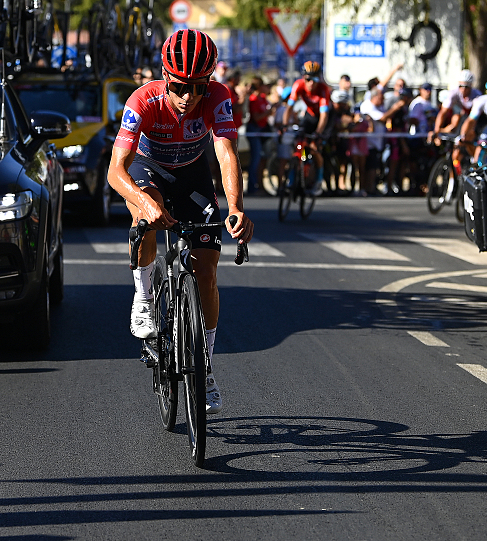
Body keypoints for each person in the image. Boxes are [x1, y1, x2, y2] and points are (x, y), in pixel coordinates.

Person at [107, 29, 254, 415]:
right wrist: (140, 200)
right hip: (147, 169)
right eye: (179, 86)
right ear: (165, 77)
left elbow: (225, 154)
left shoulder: (218, 98)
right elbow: (114, 171)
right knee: (148, 214)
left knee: (207, 268)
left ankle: (204, 367)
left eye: (199, 87)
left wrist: (235, 207)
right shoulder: (143, 100)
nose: (189, 97)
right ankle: (143, 296)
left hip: (191, 174)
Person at [282, 60, 331, 192]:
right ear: (304, 77)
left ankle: (319, 180)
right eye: (308, 79)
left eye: (315, 78)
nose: (311, 82)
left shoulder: (323, 89)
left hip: (323, 118)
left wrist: (318, 133)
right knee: (297, 145)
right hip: (309, 116)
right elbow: (289, 108)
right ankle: (292, 179)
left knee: (314, 147)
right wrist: (285, 125)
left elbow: (324, 116)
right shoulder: (298, 85)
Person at [245, 77, 272, 195]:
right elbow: (256, 117)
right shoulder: (254, 99)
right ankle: (252, 187)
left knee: (261, 159)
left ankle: (259, 185)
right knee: (255, 159)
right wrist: (268, 113)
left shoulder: (262, 99)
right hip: (254, 130)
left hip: (262, 131)